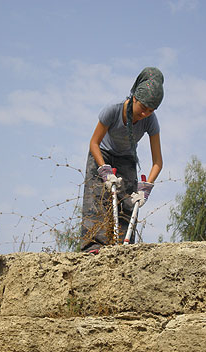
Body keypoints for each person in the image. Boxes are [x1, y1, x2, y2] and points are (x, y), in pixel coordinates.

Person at [81, 67, 164, 254]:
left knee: (128, 203)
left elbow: (158, 161)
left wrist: (146, 187)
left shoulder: (151, 121)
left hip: (127, 158)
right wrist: (103, 169)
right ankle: (92, 247)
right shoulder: (114, 109)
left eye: (151, 110)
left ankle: (125, 249)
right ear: (135, 97)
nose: (145, 114)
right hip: (102, 154)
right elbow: (93, 143)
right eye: (143, 108)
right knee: (96, 200)